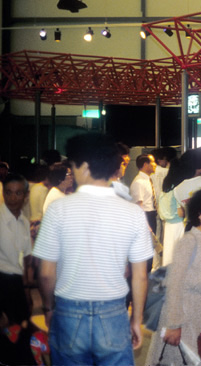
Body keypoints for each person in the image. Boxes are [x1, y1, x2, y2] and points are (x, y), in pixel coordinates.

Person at [32, 133, 153, 365]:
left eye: (74, 165)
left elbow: (46, 273)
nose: (73, 171)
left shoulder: (58, 209)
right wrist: (136, 319)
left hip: (68, 311)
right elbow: (140, 275)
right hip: (114, 313)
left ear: (84, 167)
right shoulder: (133, 212)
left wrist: (48, 308)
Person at [146, 186, 201, 366]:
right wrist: (173, 324)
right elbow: (174, 283)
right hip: (185, 315)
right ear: (200, 214)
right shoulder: (189, 241)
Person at [0, 173, 33, 333]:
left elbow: (26, 259)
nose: (12, 198)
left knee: (20, 333)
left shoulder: (24, 222)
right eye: (8, 192)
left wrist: (26, 291)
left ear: (26, 195)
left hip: (18, 284)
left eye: (18, 193)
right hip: (2, 281)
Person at [130, 153, 158, 234]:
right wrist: (146, 224)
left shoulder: (148, 179)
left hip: (151, 215)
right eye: (153, 162)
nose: (155, 164)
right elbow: (139, 205)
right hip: (146, 216)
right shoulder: (139, 182)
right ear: (145, 164)